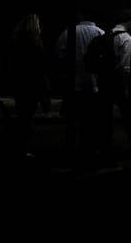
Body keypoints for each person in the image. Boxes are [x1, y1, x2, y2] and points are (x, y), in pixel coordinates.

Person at [96, 10, 131, 164]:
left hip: (104, 80)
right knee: (129, 116)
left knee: (105, 116)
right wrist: (125, 87)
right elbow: (124, 66)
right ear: (130, 22)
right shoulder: (125, 38)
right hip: (117, 82)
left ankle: (105, 146)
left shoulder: (106, 34)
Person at [54, 12, 104, 158]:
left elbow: (59, 55)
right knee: (90, 120)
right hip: (93, 83)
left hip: (73, 82)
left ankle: (70, 149)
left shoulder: (67, 33)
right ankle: (88, 148)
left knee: (72, 120)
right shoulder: (100, 32)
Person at [10, 13, 49, 156]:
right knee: (27, 117)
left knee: (22, 115)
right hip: (31, 85)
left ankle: (19, 146)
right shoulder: (36, 43)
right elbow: (40, 69)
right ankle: (23, 148)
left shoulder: (16, 41)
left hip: (20, 84)